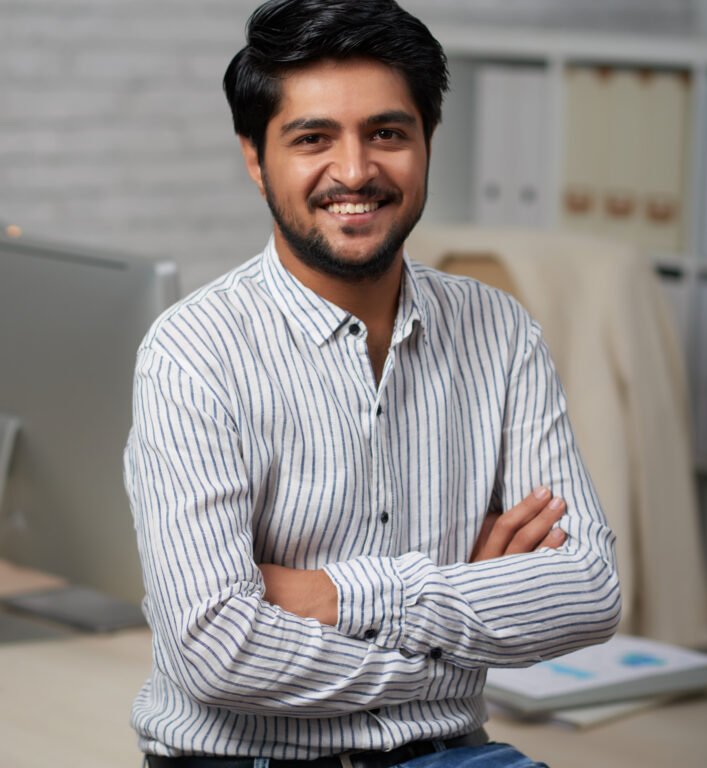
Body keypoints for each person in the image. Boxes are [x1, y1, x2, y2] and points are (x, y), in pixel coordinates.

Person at [125, 1, 621, 766]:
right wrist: (452, 637)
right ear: (257, 159)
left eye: (387, 133)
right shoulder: (194, 353)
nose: (355, 172)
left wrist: (333, 596)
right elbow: (215, 649)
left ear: (427, 143)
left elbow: (588, 589)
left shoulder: (502, 332)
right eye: (313, 139)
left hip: (450, 752)